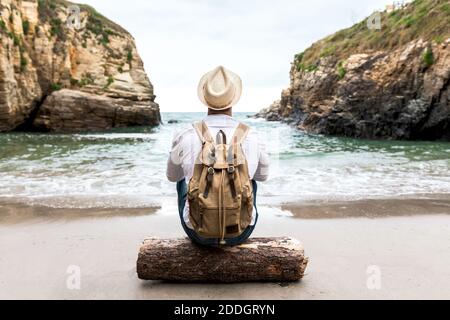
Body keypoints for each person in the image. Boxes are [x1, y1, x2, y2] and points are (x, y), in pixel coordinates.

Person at [166, 65, 269, 246]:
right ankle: (234, 222)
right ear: (234, 98)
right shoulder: (252, 135)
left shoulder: (185, 133)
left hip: (198, 233)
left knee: (182, 180)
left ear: (205, 98)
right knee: (252, 180)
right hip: (240, 232)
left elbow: (171, 176)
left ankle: (201, 219)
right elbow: (263, 176)